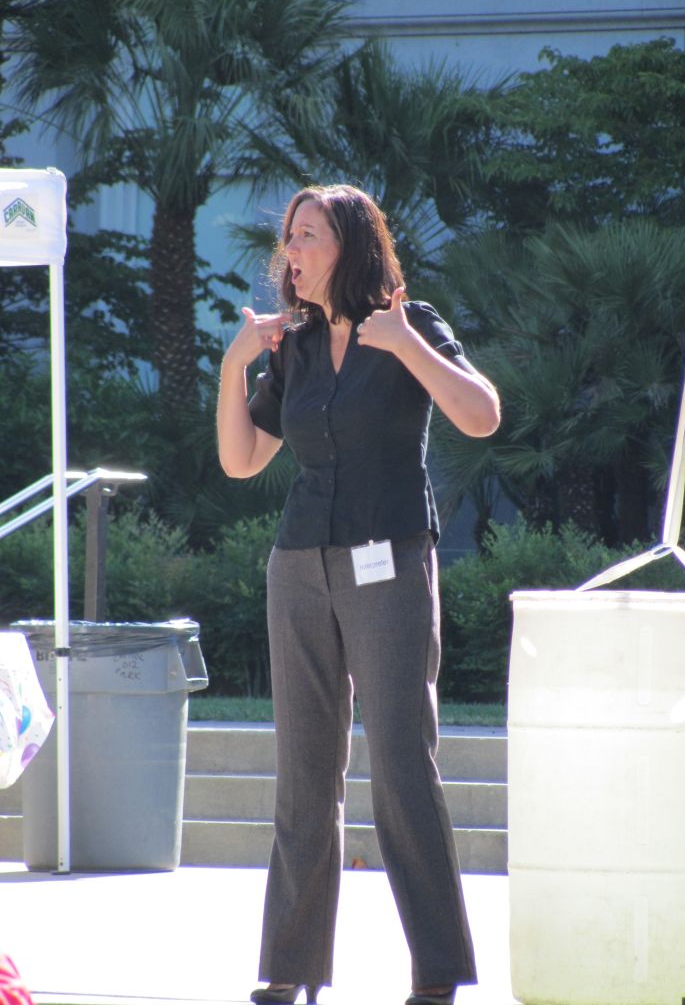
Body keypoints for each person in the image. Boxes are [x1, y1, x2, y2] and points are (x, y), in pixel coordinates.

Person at [216, 184, 500, 1005]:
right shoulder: (295, 346)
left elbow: (481, 415)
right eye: (290, 236)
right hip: (299, 566)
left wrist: (407, 344)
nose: (292, 251)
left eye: (308, 234)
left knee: (403, 766)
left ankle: (437, 972)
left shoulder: (410, 325)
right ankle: (291, 968)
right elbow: (242, 460)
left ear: (352, 244)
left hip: (392, 560)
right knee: (304, 774)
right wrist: (235, 365)